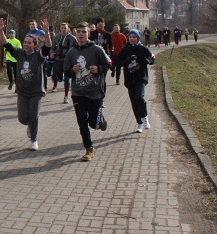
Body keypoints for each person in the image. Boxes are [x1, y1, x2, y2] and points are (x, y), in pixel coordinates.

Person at [64, 21, 111, 162]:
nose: (81, 34)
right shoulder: (71, 52)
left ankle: (100, 120)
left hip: (95, 91)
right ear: (74, 33)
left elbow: (108, 64)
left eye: (84, 32)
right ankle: (89, 148)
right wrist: (72, 71)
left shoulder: (97, 49)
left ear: (88, 33)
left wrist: (99, 69)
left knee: (93, 123)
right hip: (78, 93)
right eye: (78, 32)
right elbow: (66, 72)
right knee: (82, 122)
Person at [0, 18, 47, 151]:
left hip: (36, 92)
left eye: (29, 43)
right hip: (22, 91)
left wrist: (47, 33)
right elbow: (6, 44)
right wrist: (1, 31)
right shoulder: (19, 53)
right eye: (25, 42)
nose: (26, 44)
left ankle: (34, 141)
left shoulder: (38, 56)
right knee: (22, 118)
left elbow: (47, 48)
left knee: (34, 116)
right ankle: (30, 125)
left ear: (35, 45)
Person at [114, 30, 155, 133]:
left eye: (134, 37)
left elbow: (152, 60)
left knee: (139, 97)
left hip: (141, 78)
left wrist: (143, 60)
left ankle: (145, 117)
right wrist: (127, 60)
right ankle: (139, 123)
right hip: (130, 80)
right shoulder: (126, 49)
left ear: (138, 38)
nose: (132, 39)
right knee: (134, 102)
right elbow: (118, 62)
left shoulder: (142, 49)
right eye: (130, 37)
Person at [50, 22, 78, 104]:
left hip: (68, 61)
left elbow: (77, 48)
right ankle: (57, 77)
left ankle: (66, 96)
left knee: (67, 79)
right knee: (59, 78)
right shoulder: (56, 37)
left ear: (68, 28)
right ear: (60, 29)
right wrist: (52, 53)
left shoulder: (73, 38)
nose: (63, 29)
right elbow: (52, 48)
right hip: (58, 59)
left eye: (65, 28)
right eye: (62, 28)